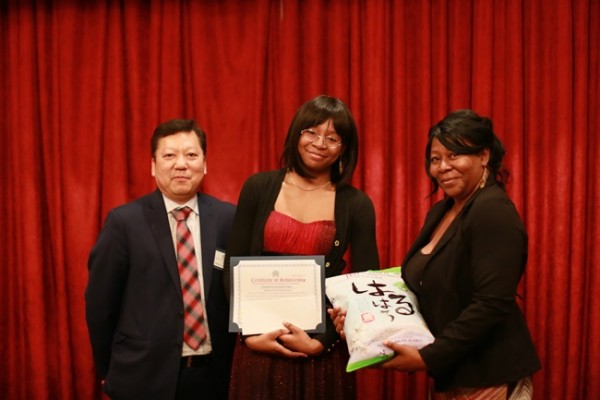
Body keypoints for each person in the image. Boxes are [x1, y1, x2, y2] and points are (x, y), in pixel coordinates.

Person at [332, 109, 541, 399]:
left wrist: (427, 357)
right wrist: (360, 321)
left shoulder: (493, 210)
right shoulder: (442, 211)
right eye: (435, 159)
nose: (443, 167)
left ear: (484, 156)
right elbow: (424, 288)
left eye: (454, 155)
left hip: (490, 375)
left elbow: (492, 304)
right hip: (451, 375)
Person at [224, 95, 380, 400]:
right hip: (258, 343)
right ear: (297, 134)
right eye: (312, 132)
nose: (320, 143)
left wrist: (322, 342)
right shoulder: (258, 187)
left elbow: (364, 284)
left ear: (344, 148)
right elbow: (233, 266)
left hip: (320, 350)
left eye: (332, 138)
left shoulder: (357, 204)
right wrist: (249, 332)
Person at [85, 119, 236, 400]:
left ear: (204, 164)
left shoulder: (228, 218)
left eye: (191, 155)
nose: (181, 164)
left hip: (215, 377)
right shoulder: (124, 223)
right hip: (143, 377)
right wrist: (110, 369)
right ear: (153, 166)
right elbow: (100, 306)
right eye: (169, 155)